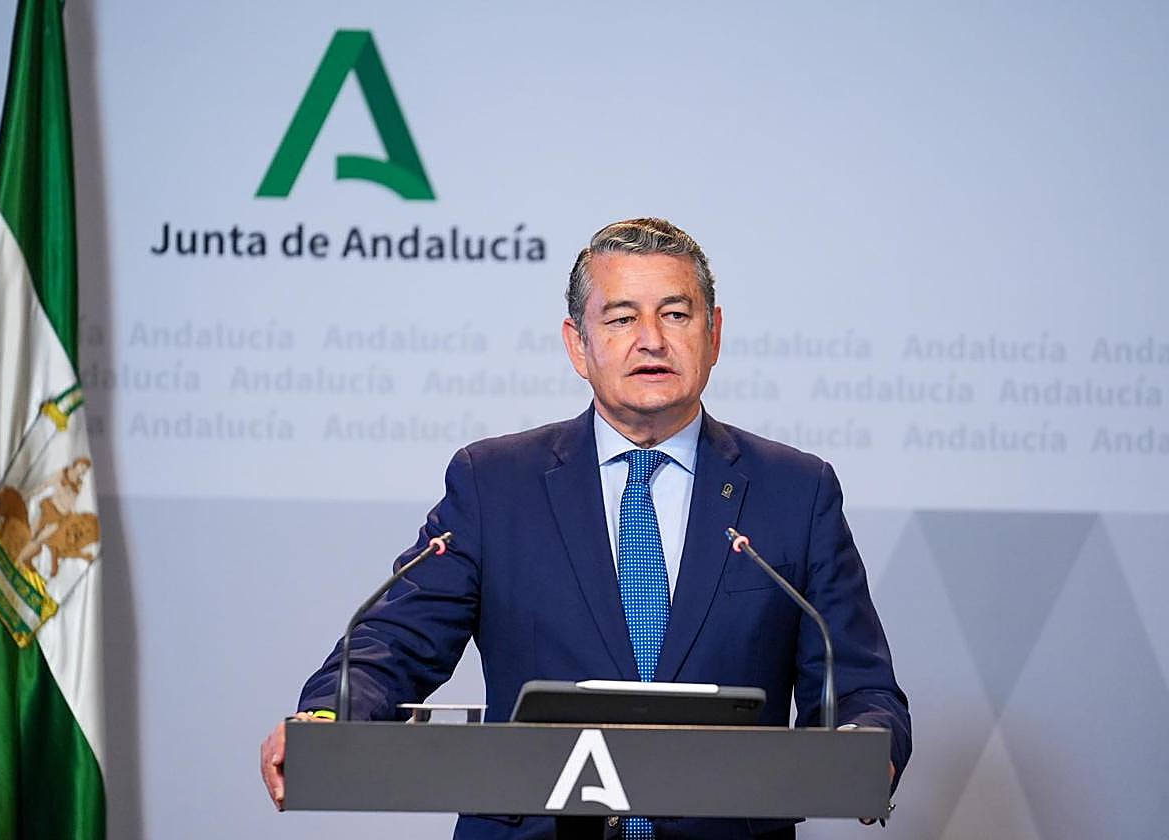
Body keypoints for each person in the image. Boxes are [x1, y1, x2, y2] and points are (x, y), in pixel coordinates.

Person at [260, 218, 911, 839]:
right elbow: (393, 642)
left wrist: (862, 745)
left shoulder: (796, 491)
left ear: (714, 334)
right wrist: (325, 718)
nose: (651, 339)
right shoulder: (495, 484)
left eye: (676, 315)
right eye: (622, 317)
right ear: (578, 344)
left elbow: (858, 685)